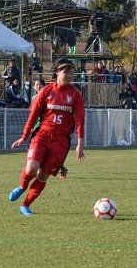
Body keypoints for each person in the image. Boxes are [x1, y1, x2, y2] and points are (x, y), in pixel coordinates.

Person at [9, 59, 85, 215]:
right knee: (32, 168)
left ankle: (25, 205)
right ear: (56, 72)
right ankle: (23, 186)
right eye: (66, 71)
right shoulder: (47, 91)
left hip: (61, 141)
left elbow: (80, 120)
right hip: (42, 135)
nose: (69, 75)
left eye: (71, 72)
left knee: (43, 176)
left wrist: (80, 144)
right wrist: (24, 136)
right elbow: (33, 114)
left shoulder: (75, 94)